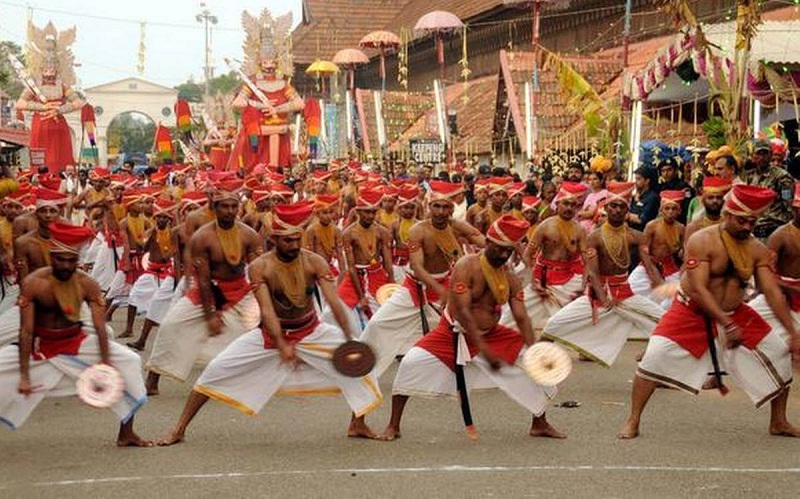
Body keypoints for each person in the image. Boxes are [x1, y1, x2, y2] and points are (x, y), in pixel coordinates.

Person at [156, 202, 382, 446]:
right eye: (287, 241)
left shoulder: (314, 262)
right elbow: (266, 310)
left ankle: (357, 423)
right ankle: (179, 429)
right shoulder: (260, 267)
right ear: (273, 239)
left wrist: (348, 339)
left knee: (362, 366)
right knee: (214, 371)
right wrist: (282, 343)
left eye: (297, 239)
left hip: (311, 331)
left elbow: (334, 303)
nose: (293, 245)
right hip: (270, 336)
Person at [619, 185, 800, 439]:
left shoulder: (756, 249)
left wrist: (793, 333)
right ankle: (633, 420)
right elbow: (698, 288)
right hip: (691, 311)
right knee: (654, 356)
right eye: (741, 220)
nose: (747, 227)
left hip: (735, 312)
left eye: (752, 222)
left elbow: (771, 292)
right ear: (727, 214)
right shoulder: (702, 240)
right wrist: (727, 323)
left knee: (779, 354)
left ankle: (778, 421)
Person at [377, 216, 563, 441]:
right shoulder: (466, 266)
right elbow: (463, 311)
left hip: (492, 334)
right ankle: (393, 425)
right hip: (452, 333)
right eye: (499, 248)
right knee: (410, 363)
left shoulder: (510, 278)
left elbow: (521, 317)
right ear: (488, 242)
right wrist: (484, 349)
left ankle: (539, 423)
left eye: (508, 251)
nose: (503, 254)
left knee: (534, 366)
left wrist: (535, 350)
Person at [0, 222, 150, 446]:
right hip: (40, 346)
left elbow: (99, 327)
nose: (66, 265)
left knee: (130, 361)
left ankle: (126, 433)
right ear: (51, 257)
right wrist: (24, 376)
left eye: (71, 261)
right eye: (60, 260)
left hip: (76, 342)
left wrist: (106, 364)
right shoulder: (34, 283)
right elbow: (26, 331)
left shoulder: (87, 283)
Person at [145, 186, 263, 395]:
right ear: (215, 208)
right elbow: (204, 279)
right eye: (224, 206)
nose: (229, 211)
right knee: (171, 326)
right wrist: (210, 315)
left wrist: (263, 300)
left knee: (258, 331)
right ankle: (153, 379)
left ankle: (253, 380)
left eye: (233, 206)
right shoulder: (203, 237)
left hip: (239, 291)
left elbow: (257, 271)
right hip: (206, 290)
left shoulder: (249, 235)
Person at [361, 181, 484, 377]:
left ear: (451, 209)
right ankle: (360, 365)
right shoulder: (418, 230)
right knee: (378, 323)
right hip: (415, 287)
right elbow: (417, 267)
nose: (441, 212)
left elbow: (484, 242)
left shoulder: (457, 227)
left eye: (445, 207)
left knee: (460, 328)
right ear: (428, 206)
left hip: (446, 284)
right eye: (436, 206)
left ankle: (459, 370)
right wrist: (439, 289)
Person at [543, 182, 665, 366]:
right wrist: (603, 298)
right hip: (596, 295)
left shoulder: (636, 237)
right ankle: (536, 357)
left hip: (624, 293)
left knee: (664, 322)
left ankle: (653, 357)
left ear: (627, 210)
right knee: (553, 324)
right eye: (613, 206)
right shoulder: (595, 236)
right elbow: (592, 272)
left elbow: (649, 266)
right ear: (606, 208)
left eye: (622, 206)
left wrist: (662, 286)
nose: (617, 210)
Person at [501, 182, 587, 336]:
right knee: (512, 315)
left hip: (567, 280)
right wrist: (533, 280)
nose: (569, 208)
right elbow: (527, 255)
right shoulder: (545, 226)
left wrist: (585, 283)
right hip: (541, 277)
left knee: (583, 313)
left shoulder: (579, 230)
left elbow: (586, 261)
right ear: (557, 205)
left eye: (573, 205)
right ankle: (501, 338)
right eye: (566, 204)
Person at [748, 182, 800, 339]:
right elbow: (764, 275)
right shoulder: (781, 236)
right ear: (794, 209)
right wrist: (790, 288)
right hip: (781, 293)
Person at [338, 188, 394, 324]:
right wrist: (361, 296)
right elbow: (351, 267)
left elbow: (388, 262)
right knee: (337, 310)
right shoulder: (348, 234)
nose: (370, 216)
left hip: (377, 275)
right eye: (366, 212)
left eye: (373, 212)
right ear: (357, 211)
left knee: (384, 314)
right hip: (355, 276)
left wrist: (391, 285)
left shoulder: (382, 232)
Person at [629, 190, 685, 308]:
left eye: (674, 209)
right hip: (648, 264)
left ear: (679, 211)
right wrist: (654, 275)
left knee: (674, 300)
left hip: (669, 267)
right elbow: (643, 252)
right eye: (667, 208)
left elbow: (683, 253)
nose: (670, 212)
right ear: (661, 210)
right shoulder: (652, 226)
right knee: (630, 291)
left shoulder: (681, 228)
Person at [741, 139, 795, 239]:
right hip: (752, 228)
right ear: (753, 156)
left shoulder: (781, 177)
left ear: (770, 155)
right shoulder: (750, 176)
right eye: (758, 153)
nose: (762, 157)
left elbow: (788, 205)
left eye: (765, 154)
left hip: (773, 229)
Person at [684, 177, 731, 242]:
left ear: (723, 201)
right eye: (710, 198)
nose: (715, 201)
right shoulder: (694, 226)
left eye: (719, 198)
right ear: (703, 201)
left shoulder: (729, 226)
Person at [627, 166, 660, 232]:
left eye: (638, 179)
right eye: (635, 179)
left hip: (643, 234)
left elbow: (642, 220)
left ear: (647, 181)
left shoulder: (652, 198)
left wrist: (625, 216)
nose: (635, 182)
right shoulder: (636, 196)